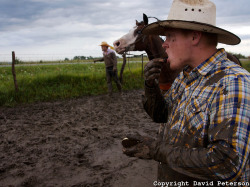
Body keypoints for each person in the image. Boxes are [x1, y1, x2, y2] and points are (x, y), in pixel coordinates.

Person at [122, 0, 250, 184]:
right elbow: (162, 115)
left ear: (194, 37)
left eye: (170, 37)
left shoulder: (233, 83)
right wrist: (150, 85)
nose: (164, 44)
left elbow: (227, 165)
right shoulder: (185, 77)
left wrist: (157, 150)